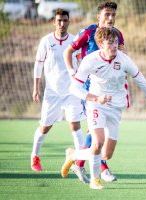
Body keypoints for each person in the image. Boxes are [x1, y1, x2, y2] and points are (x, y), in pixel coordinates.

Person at [60, 27, 146, 190]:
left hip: (116, 108)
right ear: (100, 44)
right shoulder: (90, 60)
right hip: (96, 104)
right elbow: (74, 88)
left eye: (116, 42)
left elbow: (139, 78)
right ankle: (95, 180)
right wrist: (95, 98)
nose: (114, 45)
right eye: (110, 43)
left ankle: (73, 154)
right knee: (97, 143)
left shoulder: (124, 59)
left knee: (106, 154)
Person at [63, 1, 125, 182]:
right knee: (96, 130)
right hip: (90, 90)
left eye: (113, 15)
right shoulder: (88, 32)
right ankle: (102, 168)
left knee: (98, 132)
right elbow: (69, 51)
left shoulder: (118, 35)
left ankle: (77, 161)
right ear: (99, 16)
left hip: (109, 92)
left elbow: (122, 59)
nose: (111, 18)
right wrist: (72, 72)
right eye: (107, 14)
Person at [30, 9, 86, 182]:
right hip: (52, 93)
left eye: (65, 20)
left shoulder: (74, 41)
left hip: (71, 92)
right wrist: (36, 88)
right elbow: (38, 65)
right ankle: (34, 157)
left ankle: (80, 164)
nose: (62, 23)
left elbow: (80, 63)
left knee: (75, 126)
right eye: (59, 20)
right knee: (45, 127)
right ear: (54, 22)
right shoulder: (46, 41)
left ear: (69, 22)